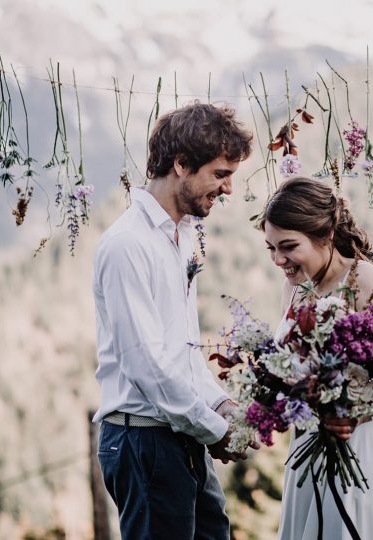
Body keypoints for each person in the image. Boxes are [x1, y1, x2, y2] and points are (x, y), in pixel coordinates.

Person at [92, 101, 254, 540]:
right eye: (221, 175)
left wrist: (219, 403)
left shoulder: (179, 239)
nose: (228, 190)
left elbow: (180, 350)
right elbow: (146, 365)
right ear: (181, 164)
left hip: (181, 429)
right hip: (144, 441)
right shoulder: (128, 245)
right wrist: (214, 429)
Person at [260, 176, 373, 540]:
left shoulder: (366, 280)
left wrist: (350, 412)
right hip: (308, 451)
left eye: (288, 246)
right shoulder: (292, 289)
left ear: (325, 236)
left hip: (364, 451)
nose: (279, 260)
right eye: (271, 248)